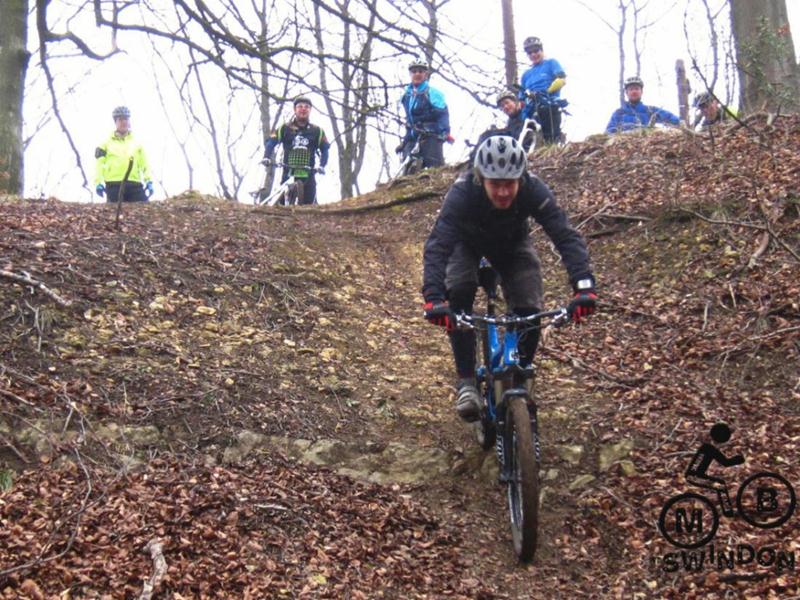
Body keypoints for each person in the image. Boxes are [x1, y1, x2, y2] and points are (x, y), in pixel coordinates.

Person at [421, 134, 597, 421]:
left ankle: (521, 375)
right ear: (481, 179)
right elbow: (439, 243)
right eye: (496, 184)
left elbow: (564, 234)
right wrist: (434, 297)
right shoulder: (463, 192)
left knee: (529, 308)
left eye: (510, 184)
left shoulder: (533, 189)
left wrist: (584, 287)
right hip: (466, 245)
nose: (503, 192)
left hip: (513, 245)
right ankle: (466, 382)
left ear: (521, 178)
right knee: (460, 293)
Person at [263, 95, 330, 205]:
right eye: (300, 106)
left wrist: (322, 165)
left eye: (307, 107)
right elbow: (271, 142)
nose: (303, 109)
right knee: (283, 205)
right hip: (288, 172)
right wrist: (266, 157)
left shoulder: (317, 131)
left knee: (310, 206)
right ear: (295, 110)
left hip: (308, 174)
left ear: (310, 110)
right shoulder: (285, 128)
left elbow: (325, 149)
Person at [397, 58, 451, 168]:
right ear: (410, 74)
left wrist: (444, 132)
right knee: (406, 173)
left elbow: (442, 114)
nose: (417, 74)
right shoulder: (406, 96)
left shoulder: (433, 93)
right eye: (414, 71)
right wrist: (404, 141)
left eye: (420, 71)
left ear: (425, 74)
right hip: (412, 136)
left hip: (430, 135)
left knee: (434, 169)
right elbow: (409, 121)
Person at [94, 106, 153, 202]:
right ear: (115, 122)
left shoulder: (137, 143)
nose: (124, 122)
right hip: (114, 184)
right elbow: (99, 165)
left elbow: (145, 164)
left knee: (145, 212)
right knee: (114, 214)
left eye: (126, 119)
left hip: (134, 184)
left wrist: (149, 181)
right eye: (120, 119)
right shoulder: (105, 144)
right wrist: (98, 182)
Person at [684, 423, 744, 517]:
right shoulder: (710, 449)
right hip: (695, 477)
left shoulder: (706, 447)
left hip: (694, 475)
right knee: (720, 485)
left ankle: (725, 509)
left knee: (719, 483)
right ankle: (728, 512)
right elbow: (725, 462)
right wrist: (739, 459)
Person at [519, 36, 566, 145]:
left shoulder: (551, 63)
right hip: (531, 110)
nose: (533, 55)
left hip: (550, 105)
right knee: (530, 141)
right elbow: (521, 97)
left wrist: (548, 92)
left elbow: (562, 79)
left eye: (536, 51)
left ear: (542, 50)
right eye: (530, 53)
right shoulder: (526, 75)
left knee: (550, 139)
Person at [605, 76, 681, 134]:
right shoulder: (619, 113)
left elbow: (669, 117)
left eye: (637, 89)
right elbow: (609, 131)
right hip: (624, 148)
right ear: (626, 93)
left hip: (647, 147)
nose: (634, 91)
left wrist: (681, 123)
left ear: (641, 92)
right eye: (631, 89)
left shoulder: (650, 110)